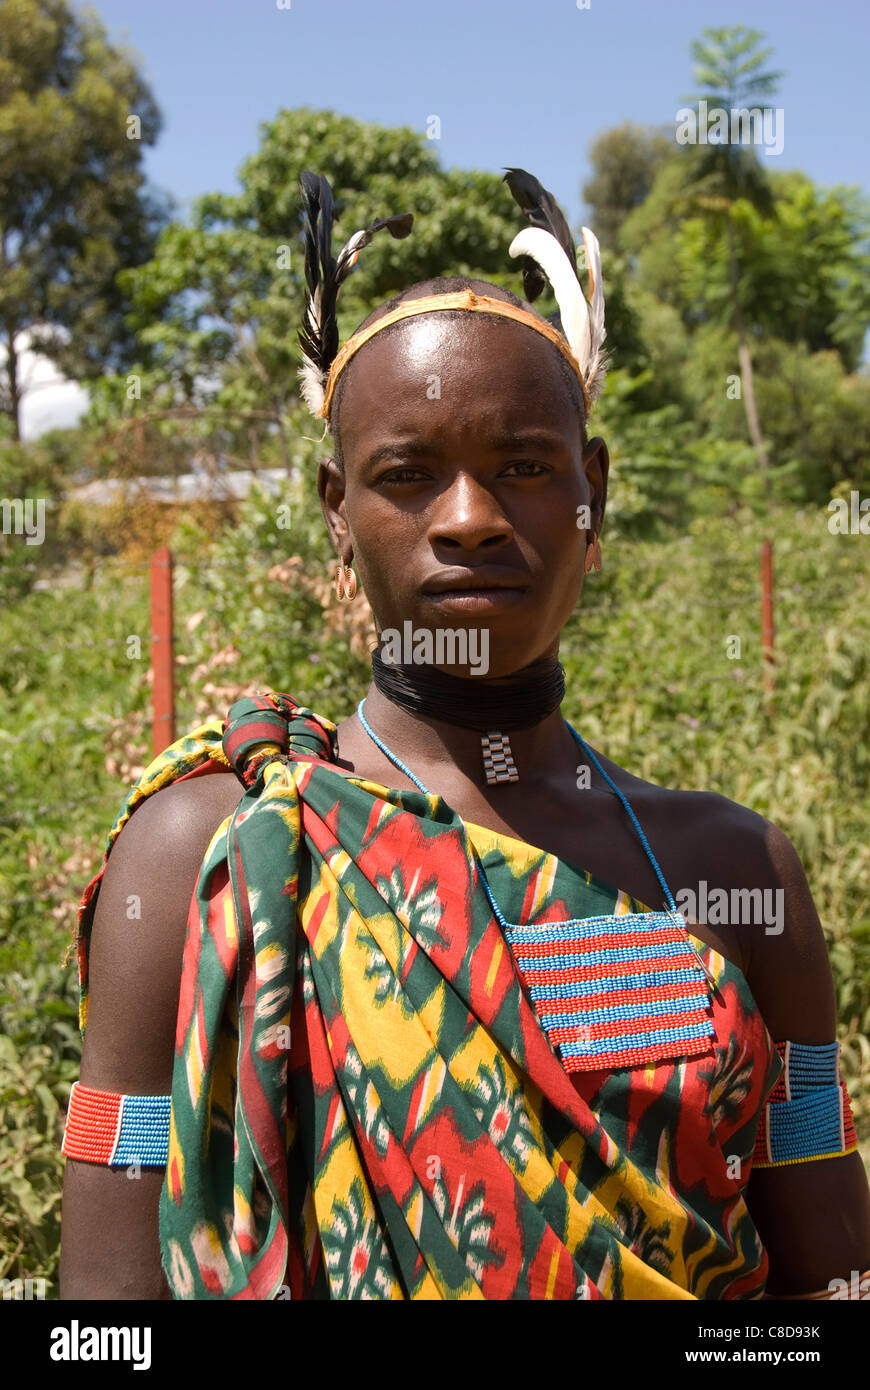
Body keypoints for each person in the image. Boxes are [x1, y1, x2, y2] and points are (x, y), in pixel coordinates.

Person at [59, 168, 870, 1301]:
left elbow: (832, 1288)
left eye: (525, 468)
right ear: (338, 509)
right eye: (408, 475)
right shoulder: (211, 848)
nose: (471, 518)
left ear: (593, 489)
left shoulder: (737, 869)